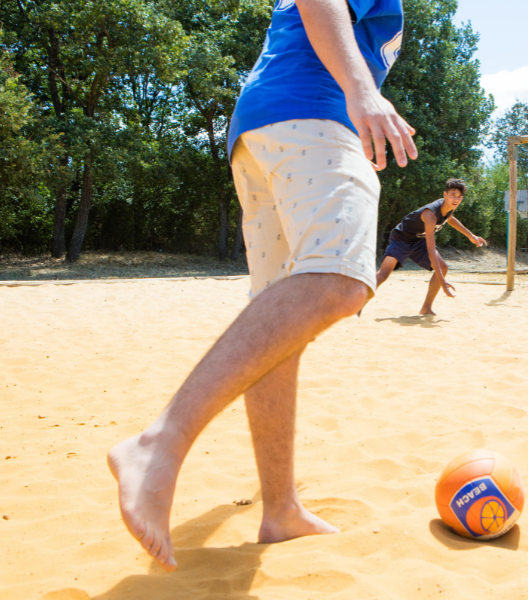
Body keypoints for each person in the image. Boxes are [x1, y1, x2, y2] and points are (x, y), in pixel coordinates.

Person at [108, 0, 417, 572]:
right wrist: (361, 89)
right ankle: (159, 442)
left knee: (281, 330)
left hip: (264, 130)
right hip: (310, 114)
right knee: (341, 279)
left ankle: (280, 509)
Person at [374, 179, 487, 315]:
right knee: (383, 275)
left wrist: (471, 236)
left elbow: (450, 219)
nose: (456, 199)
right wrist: (443, 282)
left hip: (419, 240)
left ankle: (426, 308)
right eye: (453, 195)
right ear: (445, 194)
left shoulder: (448, 208)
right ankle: (356, 299)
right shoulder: (430, 215)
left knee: (443, 267)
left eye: (459, 197)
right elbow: (431, 250)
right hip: (401, 240)